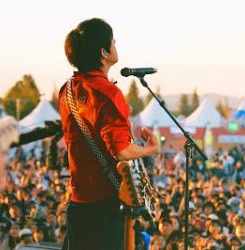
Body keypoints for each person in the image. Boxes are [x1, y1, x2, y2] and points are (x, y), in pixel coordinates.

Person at [59, 18, 159, 250]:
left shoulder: (67, 90)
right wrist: (150, 149)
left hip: (78, 203)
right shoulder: (107, 92)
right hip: (106, 206)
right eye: (113, 41)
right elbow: (122, 151)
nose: (116, 44)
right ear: (103, 52)